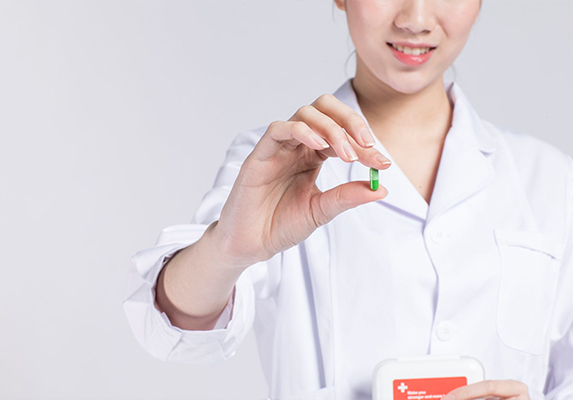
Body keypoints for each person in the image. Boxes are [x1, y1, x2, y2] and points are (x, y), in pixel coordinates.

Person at [123, 1, 573, 399]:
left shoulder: (549, 180)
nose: (416, 19)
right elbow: (175, 328)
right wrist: (229, 248)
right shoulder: (273, 164)